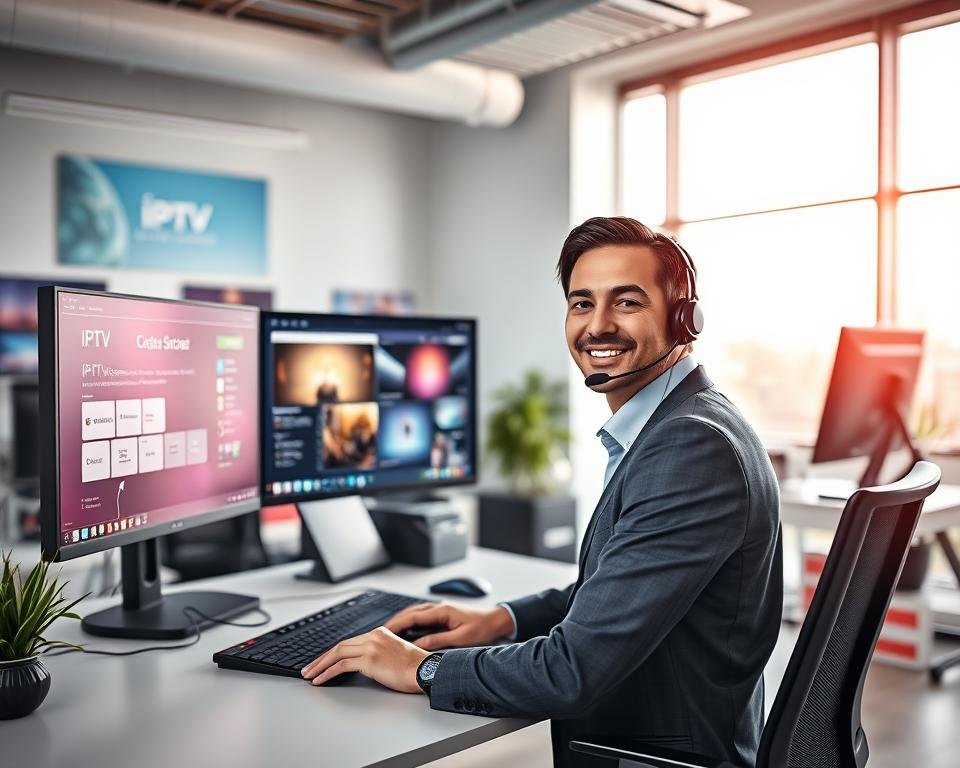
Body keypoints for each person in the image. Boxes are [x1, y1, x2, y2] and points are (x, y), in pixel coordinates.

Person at [301, 217, 783, 768]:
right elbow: (609, 594)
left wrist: (420, 668)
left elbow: (571, 672)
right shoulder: (683, 422)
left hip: (653, 757)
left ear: (683, 319)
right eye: (581, 304)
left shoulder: (690, 448)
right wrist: (499, 620)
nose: (597, 326)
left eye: (626, 302)